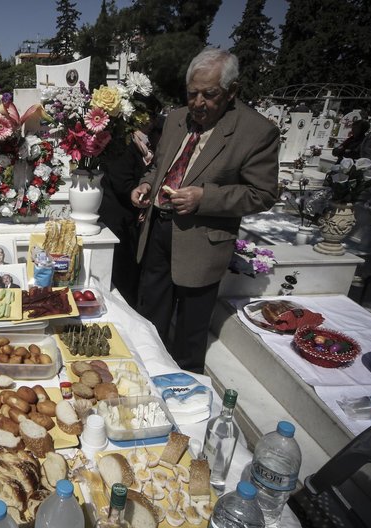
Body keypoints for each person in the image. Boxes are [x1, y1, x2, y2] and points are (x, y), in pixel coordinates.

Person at [132, 47, 279, 373]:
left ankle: (184, 392)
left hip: (202, 242)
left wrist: (205, 198)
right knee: (150, 315)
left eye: (209, 95)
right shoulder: (175, 119)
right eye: (192, 93)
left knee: (189, 330)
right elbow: (158, 167)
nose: (197, 103)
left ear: (232, 91)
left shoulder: (256, 132)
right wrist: (146, 185)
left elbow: (264, 193)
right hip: (158, 230)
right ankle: (146, 374)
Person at [99, 95, 161, 309]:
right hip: (118, 215)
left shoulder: (152, 139)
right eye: (145, 115)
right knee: (121, 272)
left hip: (135, 214)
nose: (150, 120)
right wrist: (138, 192)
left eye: (153, 115)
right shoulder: (122, 141)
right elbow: (121, 179)